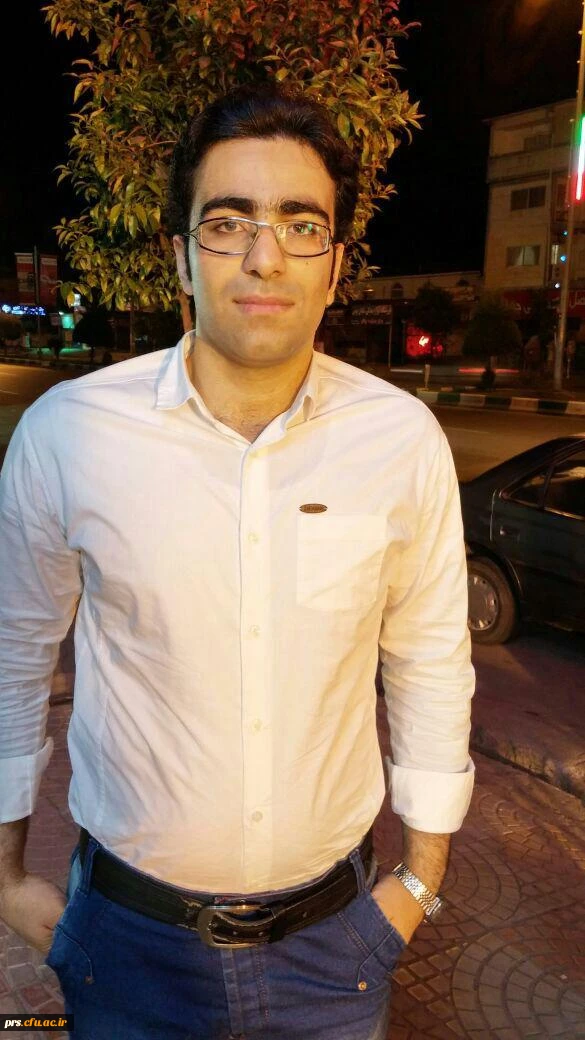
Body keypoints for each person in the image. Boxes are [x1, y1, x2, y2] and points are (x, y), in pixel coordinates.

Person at [0, 84, 475, 1040]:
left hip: (336, 949)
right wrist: (5, 876)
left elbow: (427, 660)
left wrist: (419, 881)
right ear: (181, 253)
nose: (265, 256)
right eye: (227, 223)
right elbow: (14, 654)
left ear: (336, 264)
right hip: (127, 944)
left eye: (302, 225)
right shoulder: (69, 435)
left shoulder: (400, 440)